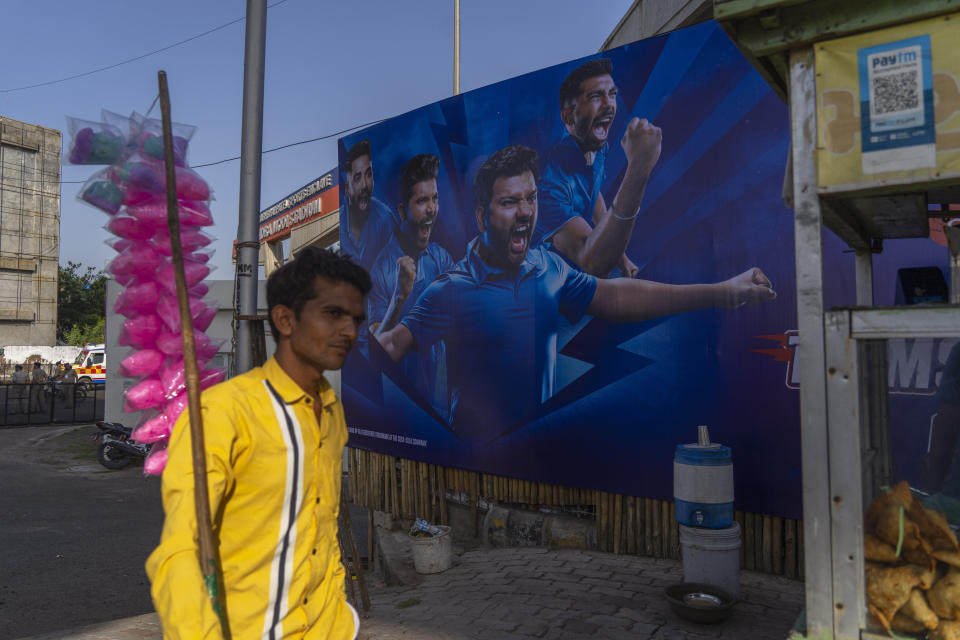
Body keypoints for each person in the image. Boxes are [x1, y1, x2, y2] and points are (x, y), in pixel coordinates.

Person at [375, 145, 775, 440]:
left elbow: (616, 297)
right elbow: (386, 348)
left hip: (543, 456)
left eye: (530, 198)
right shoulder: (451, 290)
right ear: (482, 216)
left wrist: (723, 291)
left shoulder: (548, 268)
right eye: (510, 202)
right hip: (479, 458)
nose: (526, 212)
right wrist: (396, 302)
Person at [146, 247, 370, 640]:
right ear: (285, 319)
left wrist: (343, 618)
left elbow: (323, 529)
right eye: (333, 314)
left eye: (356, 319)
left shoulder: (331, 412)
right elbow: (181, 550)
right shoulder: (222, 412)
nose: (349, 332)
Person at [536, 58, 661, 278]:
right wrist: (638, 170)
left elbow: (593, 195)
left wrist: (621, 258)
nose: (609, 105)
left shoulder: (594, 143)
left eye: (612, 94)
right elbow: (593, 262)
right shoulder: (548, 183)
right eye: (595, 97)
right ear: (568, 116)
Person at [368, 154, 454, 415]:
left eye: (435, 198)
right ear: (403, 211)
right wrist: (399, 298)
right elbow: (376, 352)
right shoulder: (381, 269)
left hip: (441, 414)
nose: (431, 209)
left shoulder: (440, 258)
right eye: (422, 201)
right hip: (401, 416)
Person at [340, 139, 397, 271]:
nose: (365, 185)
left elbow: (397, 271)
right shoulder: (340, 224)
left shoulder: (385, 219)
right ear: (347, 188)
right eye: (358, 178)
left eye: (369, 175)